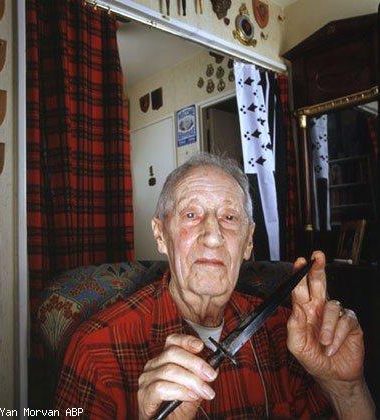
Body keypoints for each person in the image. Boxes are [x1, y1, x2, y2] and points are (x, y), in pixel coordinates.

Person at [55, 153, 375, 419]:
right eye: (192, 214)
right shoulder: (94, 348)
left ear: (248, 242)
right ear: (160, 235)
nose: (212, 235)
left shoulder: (288, 334)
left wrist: (346, 389)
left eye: (229, 218)